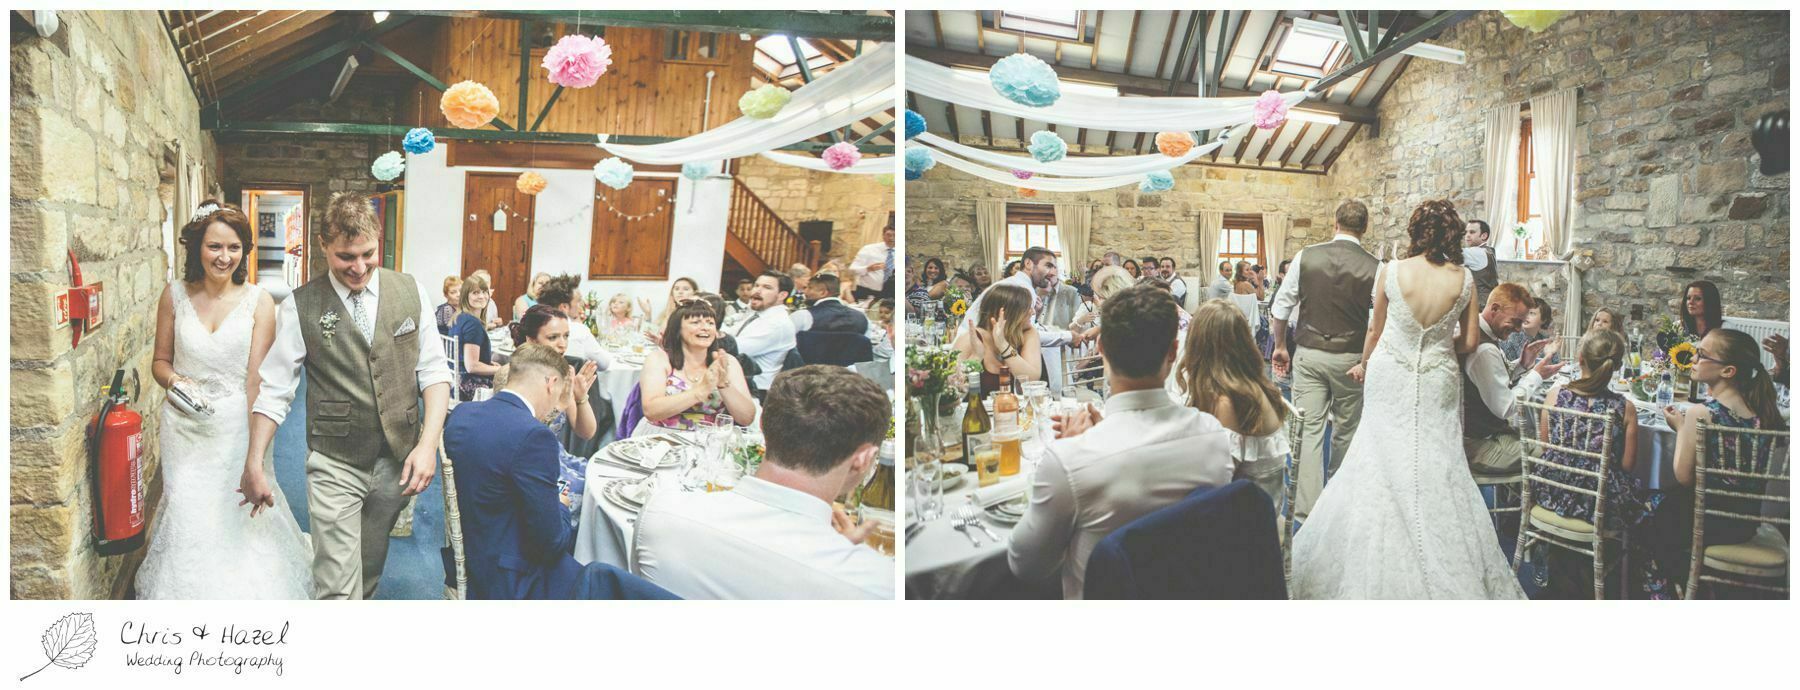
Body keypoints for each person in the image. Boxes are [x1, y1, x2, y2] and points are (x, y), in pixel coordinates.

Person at [1291, 199, 1526, 599]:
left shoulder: (1392, 269)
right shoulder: (1465, 280)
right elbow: (1470, 341)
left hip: (1390, 371)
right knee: (1436, 459)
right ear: (1454, 234)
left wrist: (1365, 363)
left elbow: (1374, 330)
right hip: (1438, 374)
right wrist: (1435, 341)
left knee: (1378, 456)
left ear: (1416, 231)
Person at [239, 192, 452, 600]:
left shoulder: (411, 292)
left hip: (397, 461)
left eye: (367, 255)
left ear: (378, 241)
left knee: (368, 569)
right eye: (345, 257)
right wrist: (255, 461)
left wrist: (426, 447)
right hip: (335, 461)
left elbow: (435, 373)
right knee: (337, 587)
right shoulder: (300, 307)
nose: (358, 268)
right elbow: (275, 391)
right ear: (323, 246)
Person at [136, 201, 313, 599]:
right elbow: (159, 363)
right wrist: (176, 382)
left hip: (236, 424)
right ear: (198, 247)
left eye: (234, 248)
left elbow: (257, 380)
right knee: (187, 508)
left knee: (236, 514)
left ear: (244, 251)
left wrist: (256, 452)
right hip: (184, 427)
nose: (224, 257)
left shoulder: (259, 301)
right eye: (215, 246)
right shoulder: (174, 295)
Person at [1009, 285, 1233, 599]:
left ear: (1100, 347)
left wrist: (1074, 449)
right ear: (1172, 352)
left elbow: (1026, 566)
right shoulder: (1213, 435)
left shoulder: (1070, 459)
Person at [634, 365, 894, 599]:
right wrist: (844, 557)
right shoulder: (877, 585)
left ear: (763, 424)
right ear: (865, 458)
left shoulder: (660, 513)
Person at [445, 344, 675, 600]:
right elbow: (552, 543)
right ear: (551, 383)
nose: (557, 406)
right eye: (558, 395)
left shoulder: (462, 414)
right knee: (612, 579)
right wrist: (562, 505)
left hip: (476, 552)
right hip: (515, 577)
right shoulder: (534, 436)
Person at [1531, 329, 1670, 598]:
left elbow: (1546, 448)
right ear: (1617, 367)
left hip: (1551, 491)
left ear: (1580, 359)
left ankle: (1550, 548)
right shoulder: (1624, 407)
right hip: (1598, 503)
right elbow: (1628, 465)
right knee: (1653, 499)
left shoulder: (1555, 395)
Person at [1270, 200, 1379, 524]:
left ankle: (1306, 512)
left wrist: (1279, 347)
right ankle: (1338, 505)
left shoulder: (1307, 256)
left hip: (1310, 354)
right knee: (1346, 431)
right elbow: (1377, 322)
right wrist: (1367, 360)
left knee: (1308, 429)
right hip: (1351, 357)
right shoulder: (1376, 266)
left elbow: (1280, 308)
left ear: (1335, 224)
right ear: (1365, 228)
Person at [1656, 328, 1787, 587]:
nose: (1693, 359)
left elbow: (1683, 477)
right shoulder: (1762, 411)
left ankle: (1672, 588)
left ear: (1728, 371)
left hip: (1707, 522)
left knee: (1650, 512)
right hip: (1745, 522)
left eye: (1701, 355)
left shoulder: (1701, 413)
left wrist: (1682, 428)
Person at [1176, 299, 1290, 503]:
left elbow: (1215, 481)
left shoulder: (1228, 400)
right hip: (1250, 504)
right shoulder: (1245, 382)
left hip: (1247, 520)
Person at [1464, 283, 1564, 475]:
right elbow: (1507, 407)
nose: (1519, 329)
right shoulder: (1484, 349)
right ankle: (1532, 502)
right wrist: (1536, 375)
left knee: (1540, 442)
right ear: (1494, 309)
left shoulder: (1479, 331)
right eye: (1516, 321)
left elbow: (1488, 380)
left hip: (1486, 434)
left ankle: (1520, 499)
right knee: (1552, 455)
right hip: (1478, 445)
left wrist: (1522, 365)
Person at [639, 300, 757, 434]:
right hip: (662, 436)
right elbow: (651, 411)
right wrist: (701, 390)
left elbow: (746, 418)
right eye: (696, 322)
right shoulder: (659, 359)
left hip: (711, 439)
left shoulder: (727, 362)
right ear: (678, 329)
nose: (705, 327)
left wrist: (723, 384)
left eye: (710, 323)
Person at [953, 282, 1042, 393]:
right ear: (1008, 313)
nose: (1033, 312)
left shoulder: (1028, 333)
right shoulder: (970, 339)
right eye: (1027, 308)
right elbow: (953, 387)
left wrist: (1004, 346)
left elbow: (1031, 379)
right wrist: (976, 357)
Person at [730, 270, 799, 391]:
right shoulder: (758, 314)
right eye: (756, 285)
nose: (757, 291)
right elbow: (729, 333)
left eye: (767, 287)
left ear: (782, 295)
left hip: (755, 390)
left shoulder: (777, 324)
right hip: (738, 382)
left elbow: (732, 348)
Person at [535, 276, 612, 371]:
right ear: (564, 307)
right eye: (579, 301)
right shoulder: (580, 331)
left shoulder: (534, 327)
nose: (582, 305)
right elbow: (604, 363)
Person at [450, 273, 503, 401]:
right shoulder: (473, 324)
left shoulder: (460, 317)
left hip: (455, 380)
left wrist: (489, 364)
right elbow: (472, 366)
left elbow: (464, 358)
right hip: (468, 385)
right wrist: (500, 369)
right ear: (465, 296)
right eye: (475, 292)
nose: (482, 296)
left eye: (484, 292)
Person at [791, 273, 870, 335]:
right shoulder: (861, 317)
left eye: (810, 288)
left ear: (823, 293)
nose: (805, 292)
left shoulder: (803, 316)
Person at [641, 277, 699, 342]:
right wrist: (648, 314)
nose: (680, 292)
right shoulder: (667, 311)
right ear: (672, 293)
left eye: (685, 289)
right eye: (676, 289)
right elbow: (650, 334)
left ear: (695, 293)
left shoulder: (695, 314)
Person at [848, 222, 895, 302]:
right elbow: (852, 270)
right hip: (866, 292)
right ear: (883, 236)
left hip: (889, 295)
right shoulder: (869, 249)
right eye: (889, 235)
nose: (892, 238)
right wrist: (868, 269)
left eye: (895, 235)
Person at [1500, 297, 1554, 364]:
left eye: (1532, 313)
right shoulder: (1510, 338)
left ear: (1544, 319)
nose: (1526, 316)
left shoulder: (1545, 340)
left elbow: (1557, 366)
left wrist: (1549, 354)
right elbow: (1511, 369)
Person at [1464, 220, 1501, 301]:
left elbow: (1449, 254)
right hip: (1491, 299)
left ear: (1484, 236)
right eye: (1466, 232)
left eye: (1472, 232)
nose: (1467, 235)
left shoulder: (1477, 253)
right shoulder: (1489, 250)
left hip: (1480, 304)